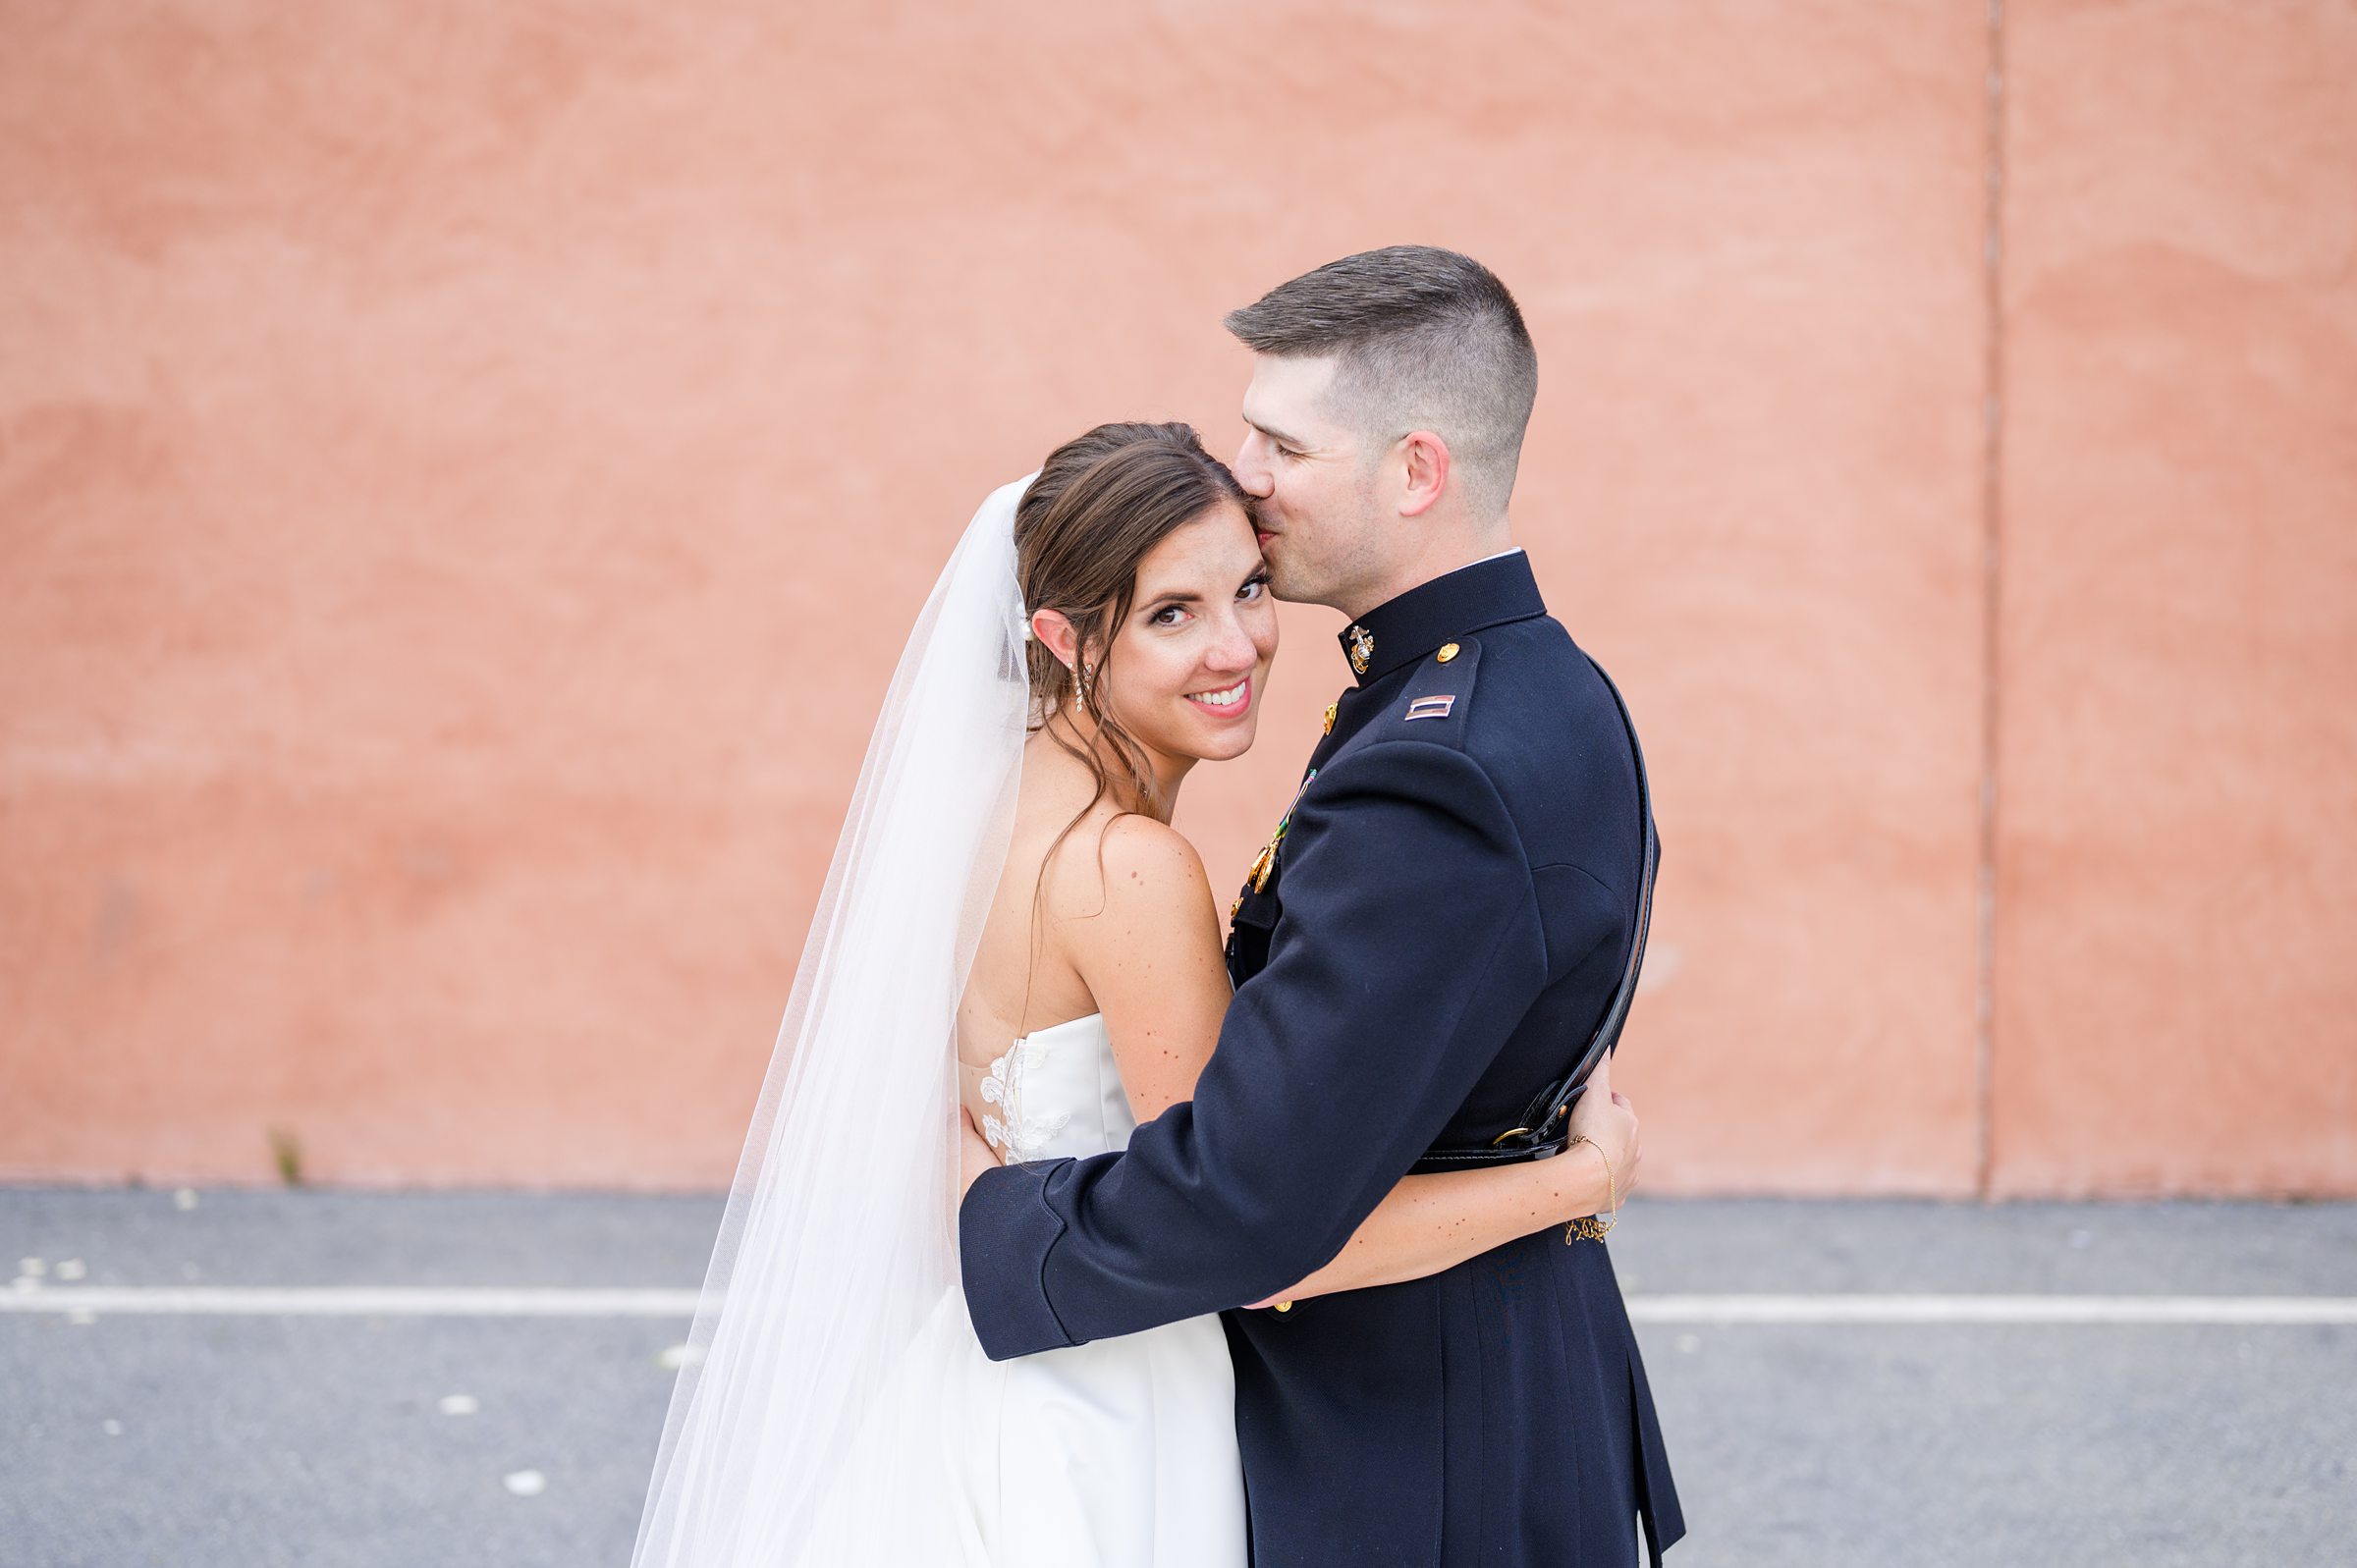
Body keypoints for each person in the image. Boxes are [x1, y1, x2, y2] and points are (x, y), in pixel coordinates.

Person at [629, 412, 1641, 1567]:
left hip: (988, 1375)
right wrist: (1582, 1177)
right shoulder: (1127, 866)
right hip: (1109, 1411)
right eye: (1172, 615)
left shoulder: (990, 812)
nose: (1238, 646)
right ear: (1063, 636)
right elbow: (1261, 1240)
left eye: (1250, 590)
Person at [958, 247, 1688, 1567]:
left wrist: (992, 1232)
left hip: (1420, 1446)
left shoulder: (1440, 760)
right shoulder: (1532, 688)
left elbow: (1259, 1207)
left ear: (1414, 471)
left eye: (1280, 443)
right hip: (1466, 1395)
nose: (1242, 471)